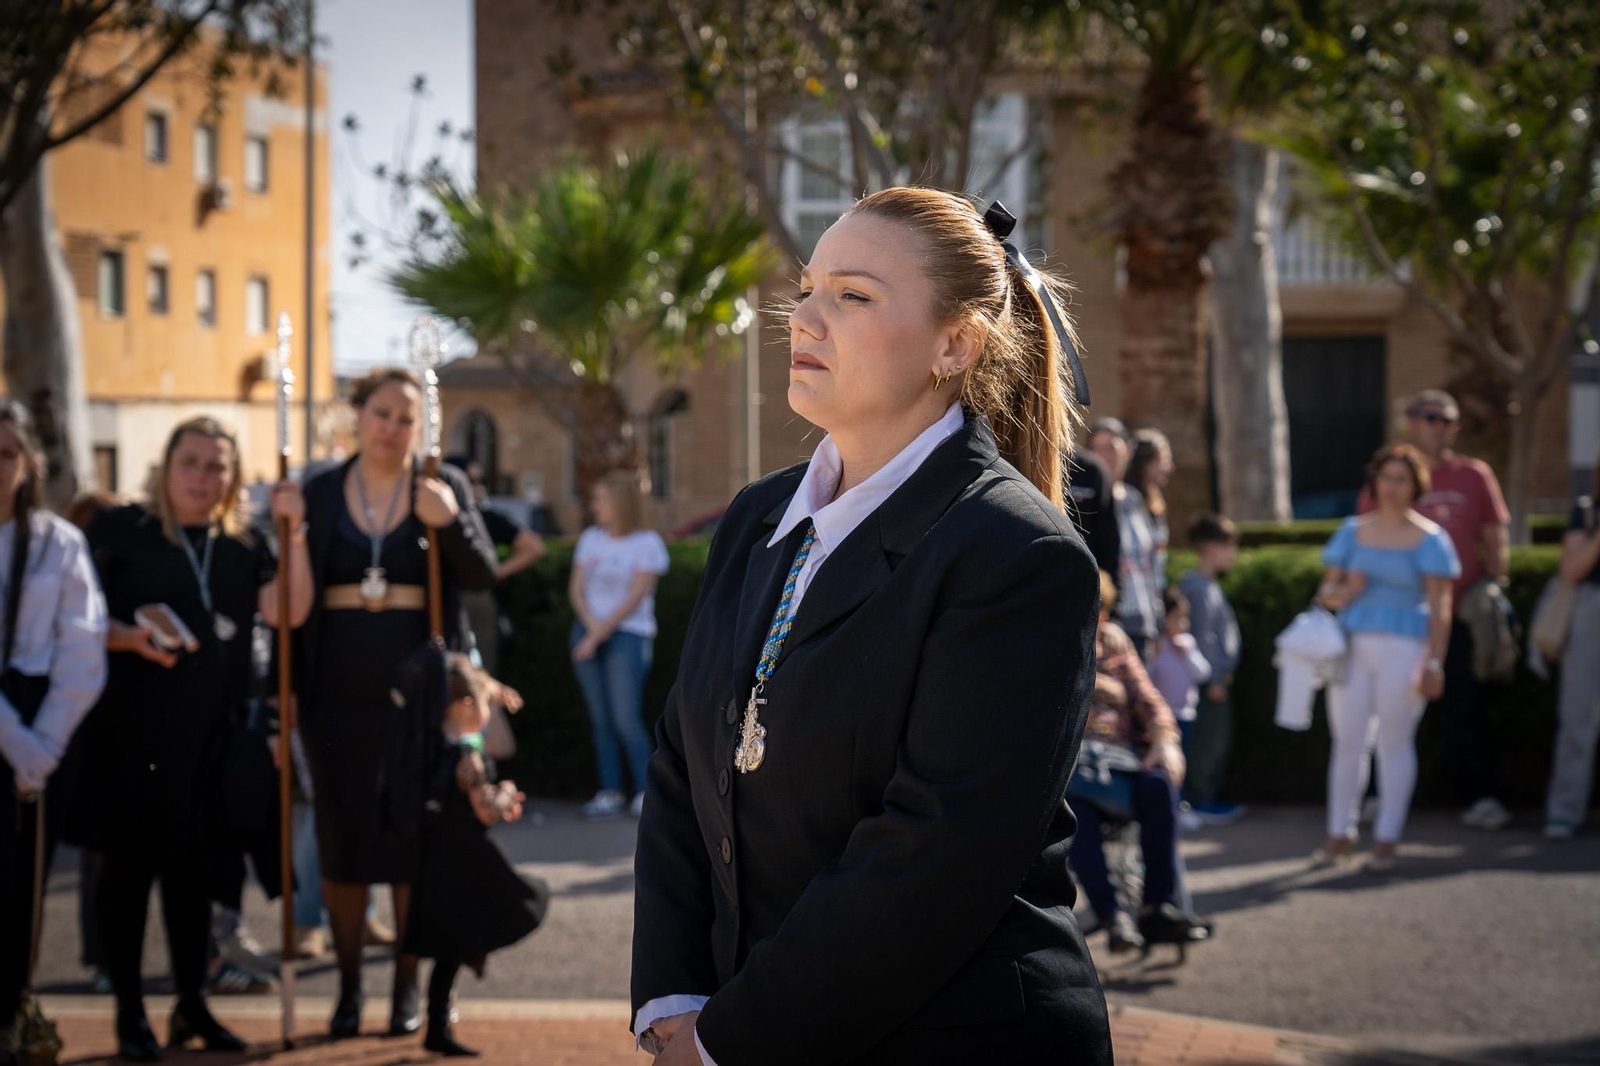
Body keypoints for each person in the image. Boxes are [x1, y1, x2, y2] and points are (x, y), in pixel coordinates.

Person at [631, 189, 1112, 1065]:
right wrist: (674, 996)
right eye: (807, 288)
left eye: (851, 296)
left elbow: (935, 854)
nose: (804, 318)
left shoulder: (1013, 553)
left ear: (955, 343)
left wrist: (724, 1042)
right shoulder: (754, 517)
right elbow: (680, 759)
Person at [82, 416, 311, 1061]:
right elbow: (73, 622)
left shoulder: (242, 544)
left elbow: (288, 614)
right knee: (125, 880)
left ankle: (191, 1005)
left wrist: (296, 536)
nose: (203, 477)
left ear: (234, 477)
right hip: (128, 739)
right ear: (166, 463)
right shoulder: (119, 530)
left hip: (211, 744)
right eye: (191, 461)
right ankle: (129, 1012)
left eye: (218, 466)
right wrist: (130, 637)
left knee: (194, 883)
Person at [296, 368, 500, 1040]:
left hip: (422, 702)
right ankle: (349, 990)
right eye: (381, 413)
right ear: (357, 416)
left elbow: (482, 574)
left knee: (414, 841)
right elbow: (295, 602)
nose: (392, 429)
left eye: (406, 419)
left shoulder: (442, 484)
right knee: (345, 843)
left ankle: (407, 989)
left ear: (422, 427)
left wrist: (448, 521)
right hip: (335, 699)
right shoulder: (320, 492)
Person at [0, 403, 108, 1048]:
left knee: (22, 889)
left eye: (6, 453)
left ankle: (12, 1011)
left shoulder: (56, 542)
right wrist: (17, 740)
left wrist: (43, 746)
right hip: (16, 733)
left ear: (28, 464)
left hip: (42, 723)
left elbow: (83, 648)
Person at [1361, 389, 1511, 831]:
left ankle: (1479, 796)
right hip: (1400, 616)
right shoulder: (1389, 474)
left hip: (1457, 612)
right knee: (1383, 710)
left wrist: (1492, 589)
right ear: (1411, 421)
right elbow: (1365, 538)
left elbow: (1494, 538)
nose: (1438, 426)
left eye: (1447, 419)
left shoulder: (1474, 474)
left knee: (1465, 705)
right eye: (1430, 417)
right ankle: (1375, 799)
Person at [1318, 444, 1459, 872]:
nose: (1393, 487)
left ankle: (1386, 839)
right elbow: (1327, 596)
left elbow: (1442, 607)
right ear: (1374, 482)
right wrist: (1348, 591)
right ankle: (1338, 835)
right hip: (1353, 647)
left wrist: (1435, 662)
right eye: (1387, 478)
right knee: (1348, 744)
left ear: (1416, 485)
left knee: (1394, 743)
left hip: (1407, 649)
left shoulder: (1432, 538)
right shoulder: (1351, 530)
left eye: (1402, 479)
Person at [404, 652, 547, 1058]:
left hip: (438, 859)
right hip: (466, 859)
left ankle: (442, 1012)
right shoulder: (466, 756)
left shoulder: (430, 744)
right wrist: (506, 794)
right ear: (465, 706)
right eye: (484, 704)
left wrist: (491, 690)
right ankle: (438, 1025)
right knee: (514, 904)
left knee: (453, 942)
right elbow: (485, 808)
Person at [1068, 571, 1199, 954]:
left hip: (1120, 761)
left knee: (1159, 785)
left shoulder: (1114, 645)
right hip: (1070, 769)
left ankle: (1156, 907)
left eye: (1101, 612)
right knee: (1074, 812)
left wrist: (1165, 739)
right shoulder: (1037, 645)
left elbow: (1149, 699)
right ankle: (1113, 917)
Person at [569, 471, 669, 821]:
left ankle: (645, 791)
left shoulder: (647, 543)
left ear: (620, 503)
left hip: (628, 637)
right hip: (588, 635)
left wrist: (596, 636)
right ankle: (609, 791)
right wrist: (591, 629)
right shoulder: (590, 539)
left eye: (600, 499)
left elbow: (636, 595)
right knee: (602, 721)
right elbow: (576, 589)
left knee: (626, 718)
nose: (594, 506)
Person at [1544, 457, 1600, 840]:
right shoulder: (1586, 512)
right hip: (1590, 612)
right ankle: (1565, 810)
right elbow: (1571, 570)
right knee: (1578, 719)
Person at [1178, 512, 1244, 825]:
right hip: (1207, 683)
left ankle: (1205, 796)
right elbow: (1203, 637)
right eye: (1227, 545)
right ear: (1208, 546)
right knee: (1207, 741)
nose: (1233, 553)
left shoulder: (1207, 585)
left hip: (1213, 680)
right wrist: (1215, 677)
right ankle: (1200, 798)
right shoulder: (1198, 588)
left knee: (1217, 740)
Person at [1092, 419, 1161, 657]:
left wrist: (1158, 618)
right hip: (1109, 624)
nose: (1105, 456)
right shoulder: (1089, 502)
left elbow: (1151, 564)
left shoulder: (1134, 499)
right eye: (1098, 449)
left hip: (1143, 621)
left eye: (1111, 447)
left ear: (1127, 450)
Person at [1148, 586, 1210, 770]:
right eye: (1175, 618)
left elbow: (1203, 673)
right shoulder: (1158, 645)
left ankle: (1179, 796)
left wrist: (1187, 654)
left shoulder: (1188, 644)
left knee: (1181, 759)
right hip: (1163, 714)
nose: (1181, 623)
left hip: (1185, 713)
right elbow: (1148, 677)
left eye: (1184, 618)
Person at [1066, 447, 1120, 577]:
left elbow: (1109, 533)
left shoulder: (1091, 468)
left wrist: (1112, 583)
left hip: (1086, 574)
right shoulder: (1024, 464)